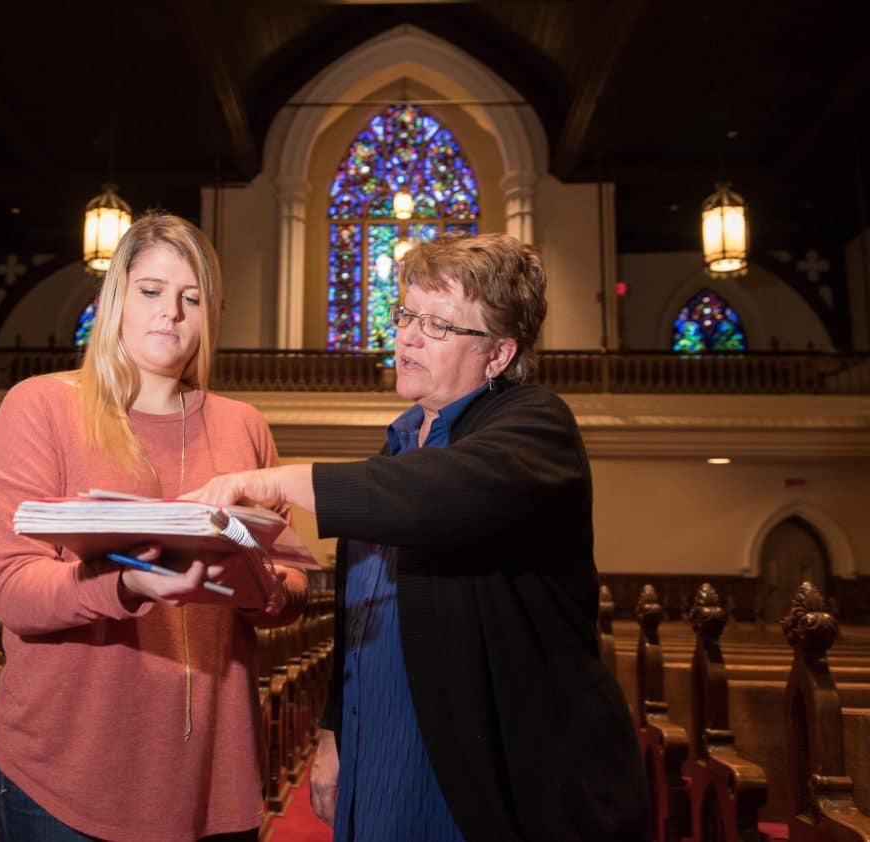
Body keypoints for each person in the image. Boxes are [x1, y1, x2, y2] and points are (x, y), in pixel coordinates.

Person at [188, 231, 647, 841]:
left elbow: (438, 494)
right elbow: (361, 619)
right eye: (405, 315)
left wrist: (273, 481)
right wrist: (333, 734)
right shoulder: (398, 444)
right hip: (379, 747)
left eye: (437, 324)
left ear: (498, 354)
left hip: (486, 773)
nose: (407, 337)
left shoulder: (537, 428)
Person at [0, 212, 308, 842]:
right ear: (115, 300)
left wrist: (254, 584)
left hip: (212, 776)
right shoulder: (41, 406)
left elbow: (290, 586)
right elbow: (14, 591)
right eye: (152, 291)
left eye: (192, 299)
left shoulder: (244, 426)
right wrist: (126, 585)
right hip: (66, 774)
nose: (171, 314)